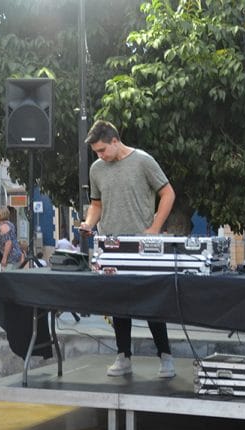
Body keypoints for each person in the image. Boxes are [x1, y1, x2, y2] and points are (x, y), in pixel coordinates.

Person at [80, 120, 177, 378]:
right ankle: (123, 356)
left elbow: (168, 193)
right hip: (111, 244)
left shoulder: (143, 161)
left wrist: (155, 227)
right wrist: (89, 224)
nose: (100, 156)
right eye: (96, 152)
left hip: (143, 244)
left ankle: (165, 356)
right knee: (117, 303)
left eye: (102, 150)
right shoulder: (97, 168)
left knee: (152, 302)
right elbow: (97, 204)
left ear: (114, 140)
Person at [0, 206, 23, 271]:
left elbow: (8, 243)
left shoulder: (4, 227)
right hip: (16, 256)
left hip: (10, 258)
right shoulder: (10, 224)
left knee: (7, 276)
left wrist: (4, 258)